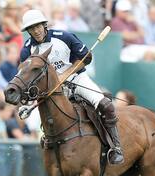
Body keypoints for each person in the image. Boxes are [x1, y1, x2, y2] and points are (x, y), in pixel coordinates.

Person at [19, 9, 124, 164]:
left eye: (38, 26)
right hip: (52, 90)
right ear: (28, 31)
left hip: (77, 79)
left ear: (44, 25)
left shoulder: (64, 37)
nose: (36, 31)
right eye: (31, 28)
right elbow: (28, 78)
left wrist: (65, 74)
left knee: (105, 105)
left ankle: (115, 147)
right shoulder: (27, 50)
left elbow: (86, 57)